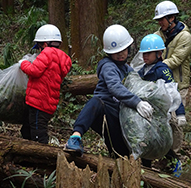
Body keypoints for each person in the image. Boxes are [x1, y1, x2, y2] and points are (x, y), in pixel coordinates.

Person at [64, 24, 154, 160]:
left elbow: (138, 83)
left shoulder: (127, 69)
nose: (121, 55)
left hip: (118, 115)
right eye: (116, 52)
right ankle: (75, 137)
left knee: (120, 153)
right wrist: (137, 103)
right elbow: (115, 87)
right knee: (95, 102)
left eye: (123, 50)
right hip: (104, 109)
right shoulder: (108, 66)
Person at [138, 34, 185, 176]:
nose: (145, 56)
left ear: (159, 53)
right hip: (146, 113)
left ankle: (174, 162)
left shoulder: (162, 70)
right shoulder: (142, 71)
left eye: (148, 53)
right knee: (146, 141)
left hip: (161, 114)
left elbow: (173, 92)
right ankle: (146, 170)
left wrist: (180, 113)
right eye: (143, 53)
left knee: (161, 141)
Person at [153, 0, 191, 161]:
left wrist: (156, 66)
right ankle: (164, 155)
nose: (159, 23)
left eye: (162, 19)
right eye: (158, 20)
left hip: (178, 84)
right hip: (160, 84)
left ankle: (175, 157)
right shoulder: (157, 36)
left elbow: (176, 60)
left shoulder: (185, 37)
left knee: (176, 121)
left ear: (172, 18)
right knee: (163, 119)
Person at [19, 24, 72, 144]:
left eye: (38, 46)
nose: (38, 50)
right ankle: (27, 154)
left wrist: (23, 63)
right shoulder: (61, 58)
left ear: (44, 44)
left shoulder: (47, 53)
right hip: (47, 104)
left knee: (38, 135)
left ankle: (42, 158)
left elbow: (34, 71)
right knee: (27, 129)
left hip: (39, 103)